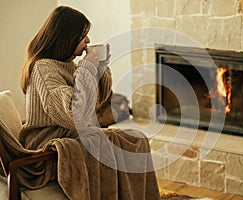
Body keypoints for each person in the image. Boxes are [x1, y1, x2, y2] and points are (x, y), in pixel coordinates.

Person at [19, 6, 160, 200]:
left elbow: (95, 103)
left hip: (73, 136)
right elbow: (74, 116)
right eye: (82, 35)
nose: (88, 41)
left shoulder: (66, 65)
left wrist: (100, 68)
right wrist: (87, 68)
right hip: (47, 149)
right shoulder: (43, 69)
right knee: (111, 144)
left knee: (136, 139)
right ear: (66, 37)